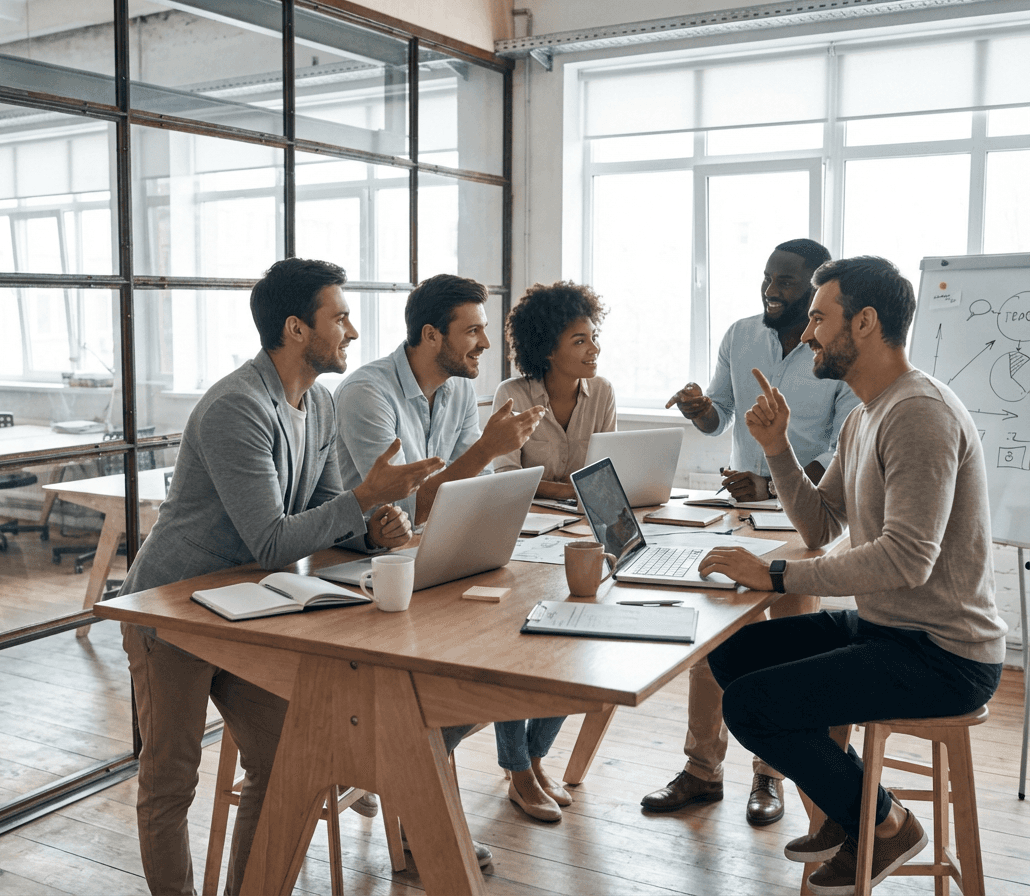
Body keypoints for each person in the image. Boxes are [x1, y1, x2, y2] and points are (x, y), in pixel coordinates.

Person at [119, 257, 445, 896]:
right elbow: (271, 540)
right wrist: (361, 499)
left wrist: (373, 524)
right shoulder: (236, 408)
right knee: (170, 781)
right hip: (172, 610)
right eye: (340, 317)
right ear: (297, 329)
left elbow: (322, 507)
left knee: (282, 762)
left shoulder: (317, 403)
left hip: (246, 606)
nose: (352, 331)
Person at [699, 255, 1005, 894]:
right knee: (735, 656)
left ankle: (885, 823)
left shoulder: (918, 413)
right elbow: (821, 525)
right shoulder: (864, 414)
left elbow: (905, 559)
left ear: (864, 322)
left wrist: (775, 575)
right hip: (891, 630)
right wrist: (780, 451)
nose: (807, 333)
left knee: (750, 705)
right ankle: (856, 809)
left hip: (945, 655)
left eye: (818, 317)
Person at [645, 238, 860, 825]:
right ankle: (701, 770)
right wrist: (698, 407)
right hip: (737, 514)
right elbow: (719, 415)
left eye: (786, 281)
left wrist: (774, 485)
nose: (771, 289)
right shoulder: (740, 335)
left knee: (785, 647)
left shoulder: (834, 352)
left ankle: (772, 776)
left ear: (814, 291)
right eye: (767, 277)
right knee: (711, 640)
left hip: (805, 520)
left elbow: (844, 445)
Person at [490, 281, 615, 822]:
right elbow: (506, 477)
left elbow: (607, 475)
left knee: (579, 643)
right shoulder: (513, 396)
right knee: (520, 652)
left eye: (594, 338)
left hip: (582, 538)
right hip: (524, 540)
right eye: (579, 340)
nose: (593, 350)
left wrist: (565, 488)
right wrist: (568, 489)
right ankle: (518, 771)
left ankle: (536, 757)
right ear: (547, 348)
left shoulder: (602, 392)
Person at [336, 273, 545, 527]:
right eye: (472, 331)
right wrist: (488, 449)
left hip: (439, 533)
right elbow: (405, 511)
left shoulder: (460, 385)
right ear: (431, 336)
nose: (486, 343)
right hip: (369, 554)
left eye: (484, 329)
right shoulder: (366, 393)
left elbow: (476, 484)